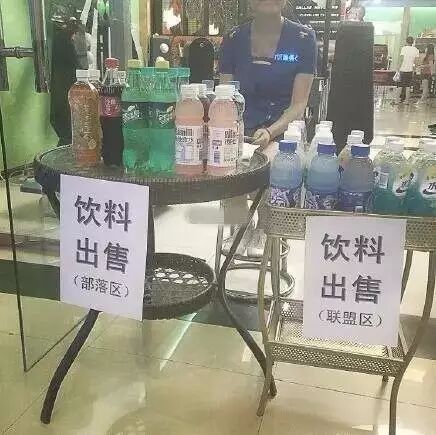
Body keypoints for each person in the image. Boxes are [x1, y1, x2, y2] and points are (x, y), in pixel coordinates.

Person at [218, 0, 317, 256]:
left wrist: (271, 132)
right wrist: (235, 130)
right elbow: (224, 95)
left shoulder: (304, 38)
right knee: (227, 159)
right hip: (240, 127)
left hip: (283, 129)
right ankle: (240, 227)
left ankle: (265, 227)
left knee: (269, 163)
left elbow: (299, 105)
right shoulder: (233, 38)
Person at [395, 36, 420, 104]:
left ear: (406, 41)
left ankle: (397, 100)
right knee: (408, 86)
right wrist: (415, 69)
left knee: (400, 85)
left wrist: (398, 68)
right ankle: (407, 101)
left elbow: (401, 59)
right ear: (413, 42)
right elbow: (416, 62)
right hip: (410, 70)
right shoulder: (416, 50)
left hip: (402, 69)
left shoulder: (404, 48)